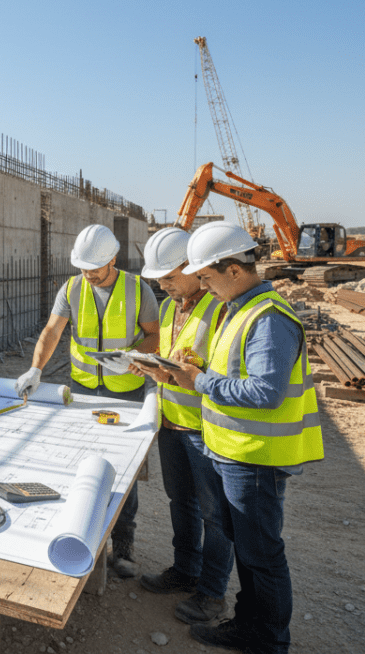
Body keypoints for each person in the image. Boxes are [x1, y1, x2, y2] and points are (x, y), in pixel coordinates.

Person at [166, 221, 324, 654]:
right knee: (251, 556)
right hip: (236, 454)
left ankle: (268, 640)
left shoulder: (269, 318)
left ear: (234, 270)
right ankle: (249, 626)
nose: (202, 286)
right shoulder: (242, 309)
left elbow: (265, 393)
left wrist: (199, 381)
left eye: (207, 277)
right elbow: (236, 373)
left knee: (263, 558)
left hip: (256, 459)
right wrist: (199, 368)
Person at [14, 223, 159, 577]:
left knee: (122, 471)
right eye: (83, 268)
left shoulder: (138, 289)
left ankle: (124, 545)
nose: (89, 274)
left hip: (125, 391)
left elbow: (155, 336)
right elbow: (52, 331)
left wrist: (134, 357)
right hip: (83, 391)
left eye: (95, 268)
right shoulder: (73, 287)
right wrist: (36, 369)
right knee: (83, 464)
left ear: (112, 260)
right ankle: (81, 532)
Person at [129, 228, 234, 626]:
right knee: (182, 503)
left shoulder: (221, 307)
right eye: (159, 279)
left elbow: (222, 373)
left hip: (206, 429)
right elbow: (175, 355)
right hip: (173, 422)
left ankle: (211, 594)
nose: (162, 285)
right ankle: (185, 570)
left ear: (193, 268)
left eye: (169, 277)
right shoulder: (174, 306)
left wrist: (183, 375)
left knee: (215, 515)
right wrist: (153, 366)